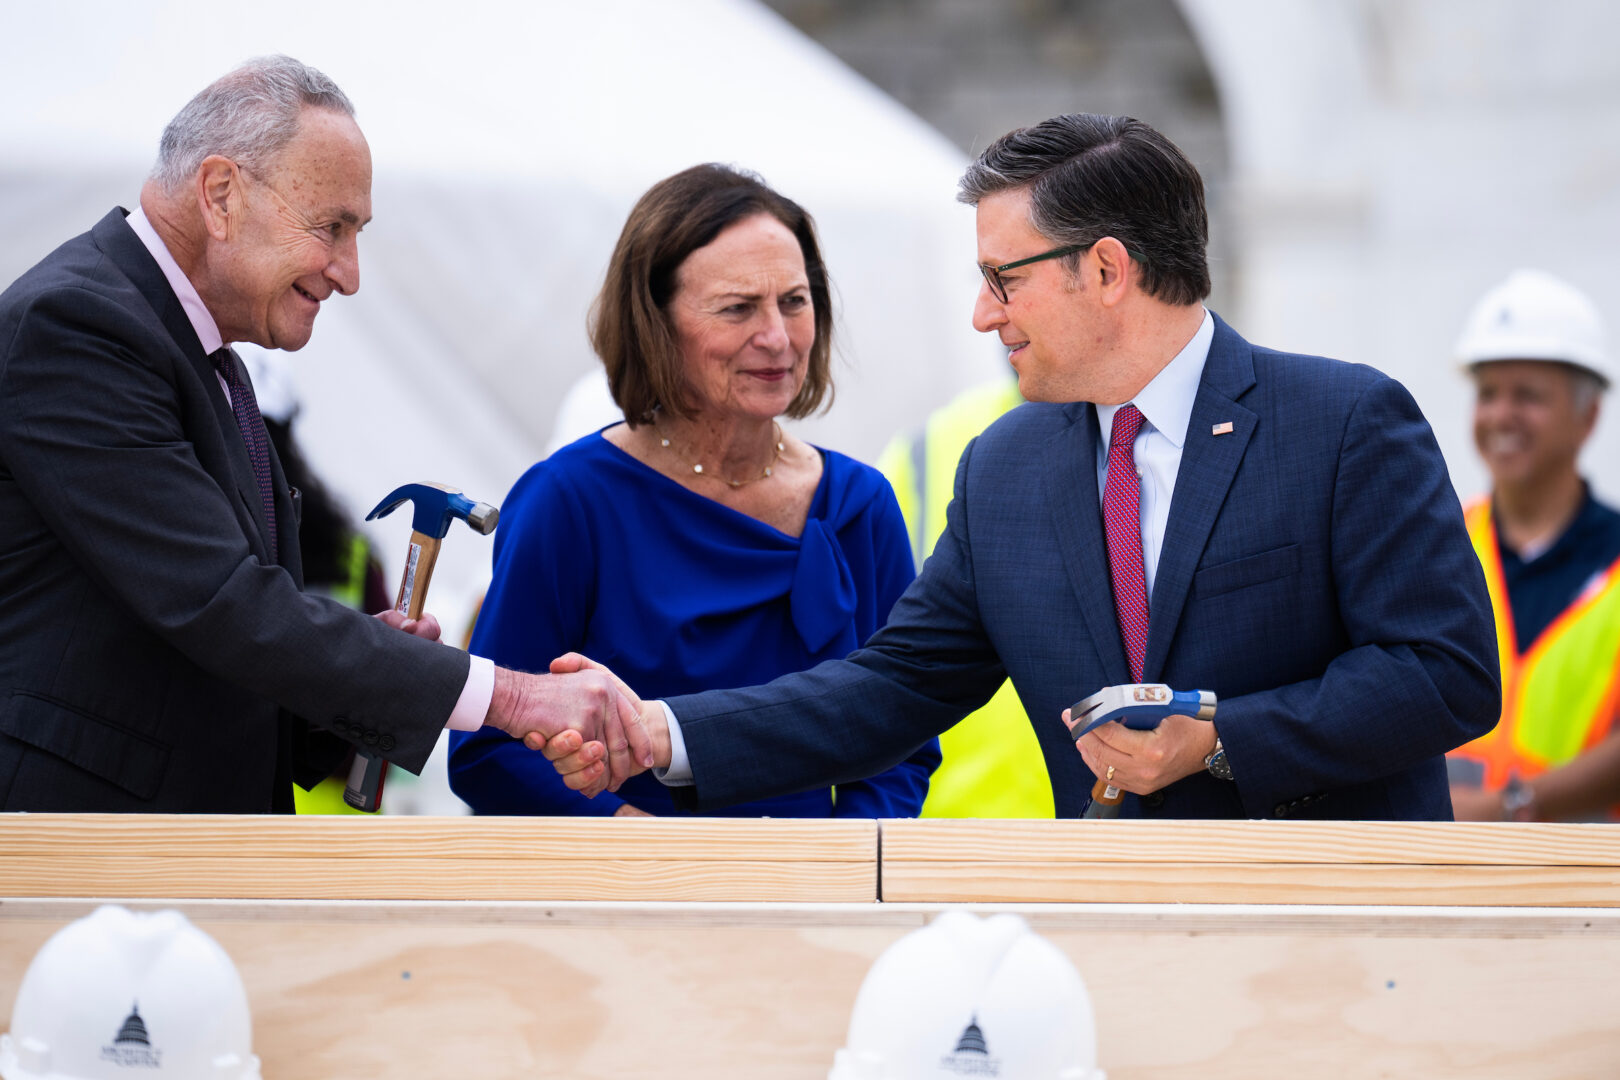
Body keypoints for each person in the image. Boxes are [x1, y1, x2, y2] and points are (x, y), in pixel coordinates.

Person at [541, 113, 1500, 821]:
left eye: (1005, 280)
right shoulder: (1004, 468)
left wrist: (1224, 741)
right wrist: (664, 732)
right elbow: (891, 687)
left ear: (1109, 271)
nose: (984, 315)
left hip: (1335, 941)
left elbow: (1446, 672)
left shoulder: (1344, 423)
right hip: (1106, 940)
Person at [0, 56, 648, 813]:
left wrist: (361, 669)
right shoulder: (77, 326)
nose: (349, 273)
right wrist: (505, 696)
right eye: (332, 228)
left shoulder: (205, 355)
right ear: (220, 195)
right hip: (81, 860)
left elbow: (197, 638)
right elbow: (218, 602)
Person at [449, 164, 938, 817]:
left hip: (820, 901)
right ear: (654, 324)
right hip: (630, 899)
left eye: (794, 301)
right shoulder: (569, 501)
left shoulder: (860, 504)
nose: (777, 337)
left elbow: (901, 737)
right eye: (738, 308)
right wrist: (645, 849)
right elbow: (488, 752)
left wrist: (841, 865)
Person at [1446, 270, 1620, 821]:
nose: (1501, 415)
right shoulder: (1440, 543)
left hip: (1589, 886)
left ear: (1588, 416)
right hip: (1437, 868)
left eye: (1529, 396)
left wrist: (1507, 809)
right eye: (1489, 393)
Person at [875, 378, 1055, 818]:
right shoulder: (929, 449)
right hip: (946, 836)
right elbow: (879, 670)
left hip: (1105, 831)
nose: (987, 317)